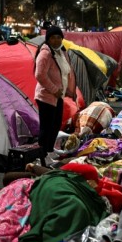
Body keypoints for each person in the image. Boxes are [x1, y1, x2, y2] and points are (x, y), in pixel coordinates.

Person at [34, 26, 77, 166]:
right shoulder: (45, 54)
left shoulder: (61, 52)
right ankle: (41, 155)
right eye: (53, 37)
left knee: (55, 125)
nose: (56, 40)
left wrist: (70, 92)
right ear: (48, 39)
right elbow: (39, 75)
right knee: (46, 128)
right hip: (46, 96)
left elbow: (66, 73)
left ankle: (49, 150)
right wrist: (54, 90)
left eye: (59, 37)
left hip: (58, 96)